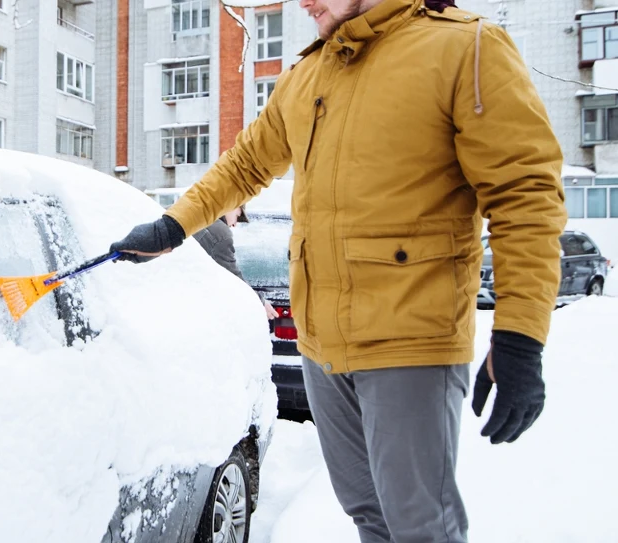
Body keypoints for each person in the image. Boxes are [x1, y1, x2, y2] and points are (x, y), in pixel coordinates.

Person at [109, 0, 567, 540]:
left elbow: (525, 197)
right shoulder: (311, 72)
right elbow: (247, 163)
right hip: (322, 347)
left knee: (421, 527)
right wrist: (174, 226)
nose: (303, 2)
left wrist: (520, 336)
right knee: (369, 517)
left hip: (410, 342)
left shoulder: (462, 49)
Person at [193, 204, 280, 321]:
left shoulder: (190, 210)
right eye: (237, 216)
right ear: (232, 205)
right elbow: (233, 277)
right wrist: (260, 302)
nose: (234, 225)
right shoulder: (219, 233)